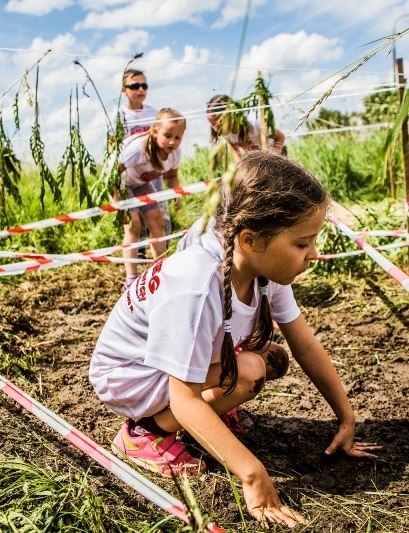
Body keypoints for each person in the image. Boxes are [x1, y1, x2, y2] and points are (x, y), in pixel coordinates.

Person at [90, 151, 380, 528]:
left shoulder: (258, 267)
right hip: (129, 378)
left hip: (165, 366)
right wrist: (253, 475)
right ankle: (145, 433)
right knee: (248, 371)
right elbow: (185, 396)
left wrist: (346, 416)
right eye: (302, 243)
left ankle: (211, 415)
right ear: (250, 239)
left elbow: (303, 343)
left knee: (271, 359)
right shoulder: (196, 286)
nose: (314, 254)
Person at [117, 108, 185, 290]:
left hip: (140, 184)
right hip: (122, 184)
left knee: (157, 222)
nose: (173, 141)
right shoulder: (137, 149)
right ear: (155, 131)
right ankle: (131, 278)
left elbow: (171, 175)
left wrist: (175, 192)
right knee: (134, 225)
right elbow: (113, 172)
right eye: (168, 135)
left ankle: (158, 272)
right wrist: (119, 204)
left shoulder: (175, 154)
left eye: (178, 137)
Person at [116, 69, 171, 253]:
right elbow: (113, 148)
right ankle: (137, 252)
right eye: (135, 86)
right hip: (127, 172)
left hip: (151, 171)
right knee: (134, 221)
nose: (140, 89)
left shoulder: (154, 113)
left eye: (144, 85)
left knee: (158, 214)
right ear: (124, 90)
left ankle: (162, 252)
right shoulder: (119, 115)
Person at [206, 94, 287, 162]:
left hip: (276, 153)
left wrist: (272, 159)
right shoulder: (225, 132)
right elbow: (235, 152)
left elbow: (280, 137)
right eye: (212, 124)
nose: (216, 129)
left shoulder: (255, 124)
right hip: (258, 158)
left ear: (231, 117)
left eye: (218, 124)